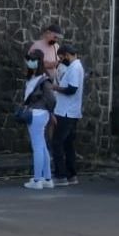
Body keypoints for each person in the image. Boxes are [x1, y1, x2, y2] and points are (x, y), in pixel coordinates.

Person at [21, 49, 57, 189]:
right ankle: (46, 178)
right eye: (29, 59)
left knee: (37, 147)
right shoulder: (35, 77)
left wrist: (51, 112)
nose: (30, 62)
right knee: (42, 146)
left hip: (37, 114)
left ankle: (37, 180)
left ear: (38, 61)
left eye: (32, 59)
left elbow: (51, 99)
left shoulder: (43, 79)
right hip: (39, 114)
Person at [51, 44, 85, 186]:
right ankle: (71, 175)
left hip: (66, 112)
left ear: (67, 55)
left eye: (61, 57)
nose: (60, 60)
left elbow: (72, 89)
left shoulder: (75, 68)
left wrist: (56, 88)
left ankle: (61, 175)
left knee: (57, 143)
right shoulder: (73, 67)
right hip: (69, 111)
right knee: (68, 144)